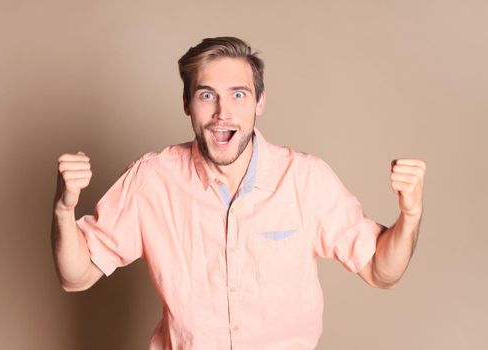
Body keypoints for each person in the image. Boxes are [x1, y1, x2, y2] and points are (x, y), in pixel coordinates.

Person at [51, 37, 426, 349]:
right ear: (187, 103)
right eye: (207, 95)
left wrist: (410, 217)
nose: (222, 113)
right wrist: (64, 210)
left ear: (260, 102)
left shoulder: (305, 180)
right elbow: (77, 275)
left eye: (239, 95)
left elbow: (380, 271)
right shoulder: (152, 180)